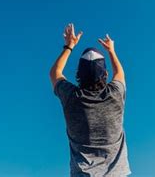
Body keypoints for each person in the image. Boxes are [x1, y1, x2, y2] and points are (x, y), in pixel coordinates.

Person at [50, 23, 131, 176]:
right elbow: (120, 73)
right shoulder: (116, 94)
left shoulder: (71, 97)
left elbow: (55, 73)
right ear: (105, 74)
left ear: (78, 75)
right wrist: (111, 51)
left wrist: (69, 46)